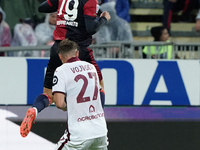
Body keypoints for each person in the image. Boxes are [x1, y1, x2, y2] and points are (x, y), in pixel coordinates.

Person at [20, 0, 110, 138]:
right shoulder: (90, 1)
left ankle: (34, 109)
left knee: (49, 94)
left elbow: (42, 7)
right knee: (99, 87)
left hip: (59, 49)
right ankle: (96, 121)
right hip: (79, 51)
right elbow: (92, 28)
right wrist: (104, 18)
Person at [53, 39, 108, 150]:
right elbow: (101, 93)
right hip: (100, 131)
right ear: (77, 53)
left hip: (79, 134)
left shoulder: (61, 71)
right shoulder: (91, 67)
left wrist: (67, 106)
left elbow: (59, 103)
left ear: (60, 56)